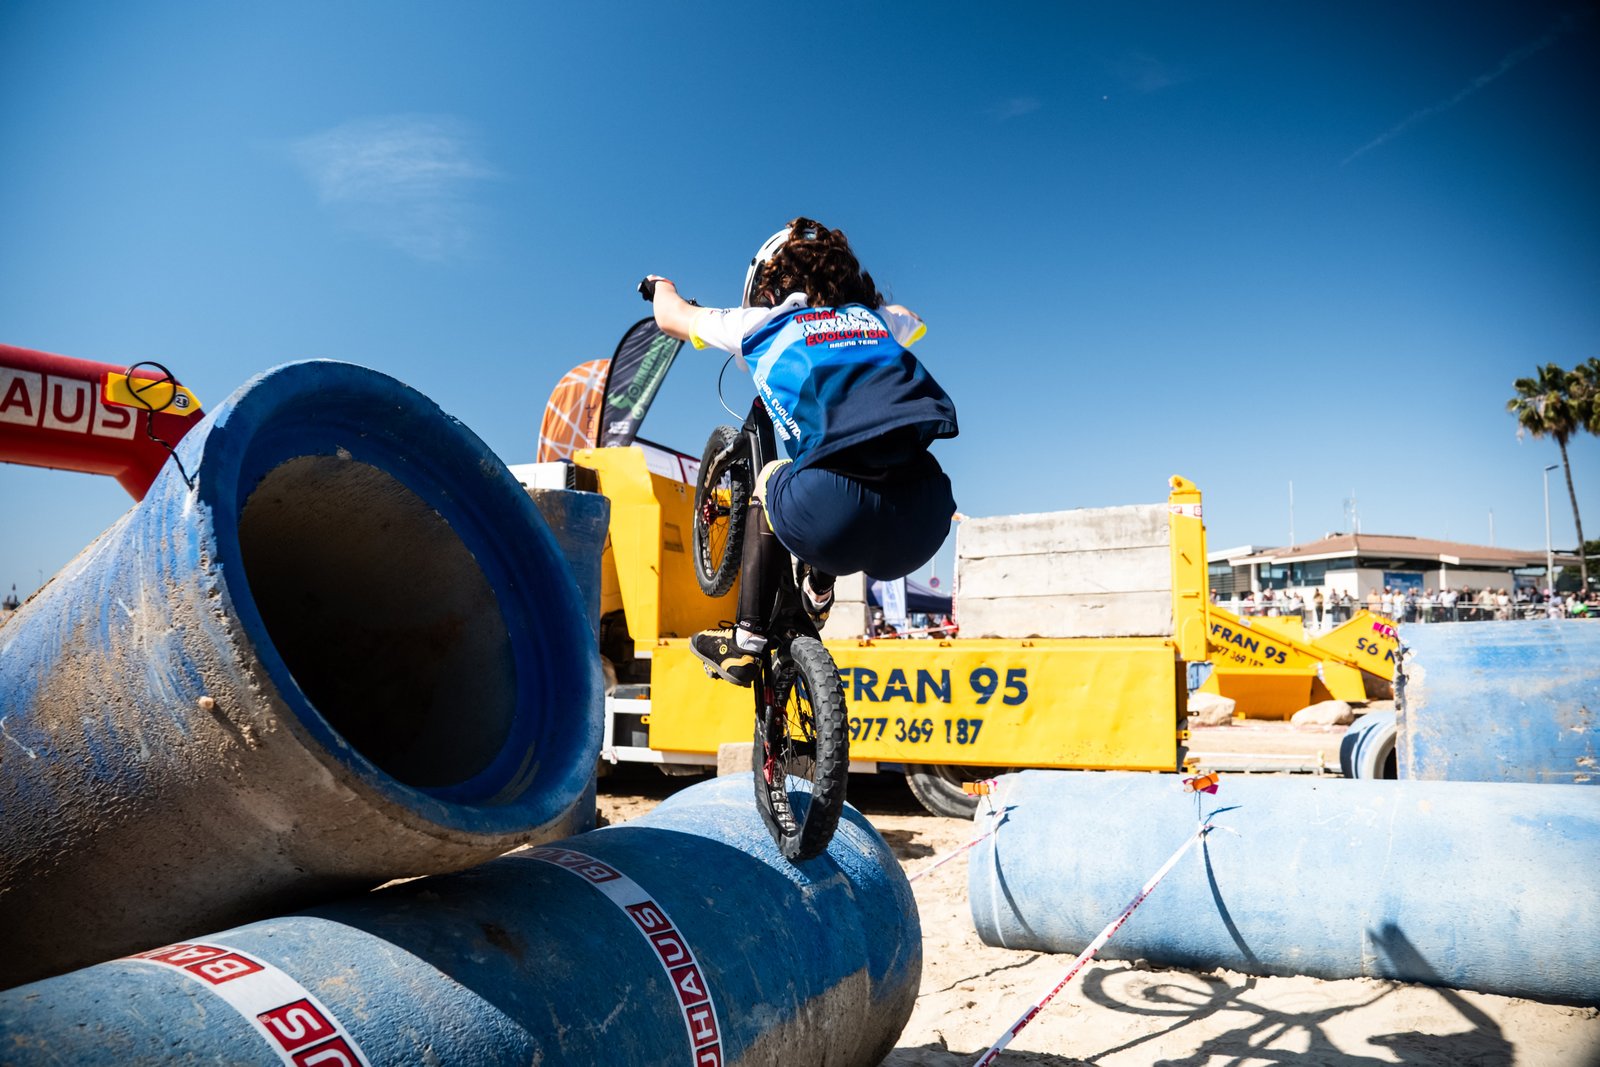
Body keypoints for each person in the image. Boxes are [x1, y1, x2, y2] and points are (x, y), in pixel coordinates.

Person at [646, 218, 959, 685]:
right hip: (923, 520)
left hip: (833, 514)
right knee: (834, 458)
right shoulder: (876, 321)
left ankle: (745, 643)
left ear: (767, 291)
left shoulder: (762, 322)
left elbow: (669, 316)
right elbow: (911, 316)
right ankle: (818, 585)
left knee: (774, 474)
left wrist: (660, 285)